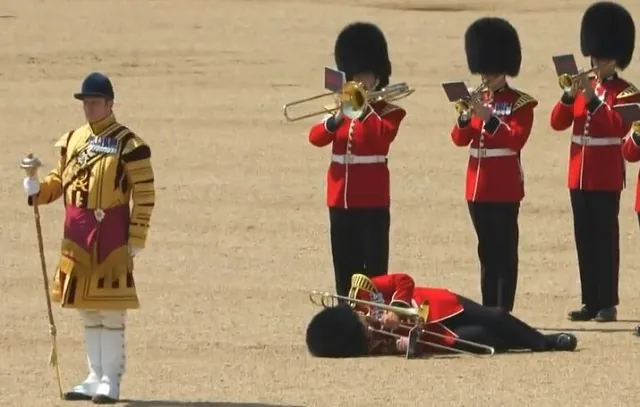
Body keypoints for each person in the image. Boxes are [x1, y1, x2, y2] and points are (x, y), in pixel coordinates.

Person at [21, 72, 156, 403]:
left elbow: (145, 193)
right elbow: (59, 180)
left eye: (95, 102)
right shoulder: (71, 141)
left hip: (111, 237)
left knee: (110, 312)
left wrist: (136, 234)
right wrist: (38, 191)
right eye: (86, 102)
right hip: (77, 236)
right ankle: (94, 376)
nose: (90, 108)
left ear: (110, 103)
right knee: (87, 310)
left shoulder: (129, 144)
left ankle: (111, 378)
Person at [549, 1, 640, 322]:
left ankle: (607, 302)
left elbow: (618, 127)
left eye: (601, 58)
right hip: (579, 173)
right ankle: (590, 300)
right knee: (584, 237)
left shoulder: (628, 92)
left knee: (605, 238)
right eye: (593, 56)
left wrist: (591, 98)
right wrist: (568, 96)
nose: (595, 62)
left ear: (616, 58)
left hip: (605, 174)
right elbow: (557, 123)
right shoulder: (585, 87)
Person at [308, 22, 407, 297]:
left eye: (367, 76)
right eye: (357, 76)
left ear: (377, 78)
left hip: (372, 201)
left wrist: (361, 109)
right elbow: (316, 137)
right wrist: (340, 114)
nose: (362, 81)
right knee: (345, 267)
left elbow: (380, 138)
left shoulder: (389, 111)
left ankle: (375, 323)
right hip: (340, 199)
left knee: (374, 272)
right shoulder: (340, 107)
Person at [450, 17, 537, 312]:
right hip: (477, 186)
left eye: (492, 70)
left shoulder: (520, 102)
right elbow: (460, 140)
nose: (487, 76)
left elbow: (516, 139)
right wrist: (464, 119)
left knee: (504, 252)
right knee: (486, 251)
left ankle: (504, 310)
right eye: (484, 70)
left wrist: (489, 118)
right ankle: (489, 309)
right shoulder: (476, 99)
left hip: (504, 187)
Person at [306, 273, 578, 357]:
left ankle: (545, 342)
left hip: (436, 304)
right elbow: (405, 347)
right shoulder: (370, 342)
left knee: (494, 316)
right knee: (486, 339)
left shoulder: (362, 291)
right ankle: (521, 342)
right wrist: (405, 343)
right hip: (433, 333)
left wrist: (398, 311)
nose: (367, 324)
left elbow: (402, 280)